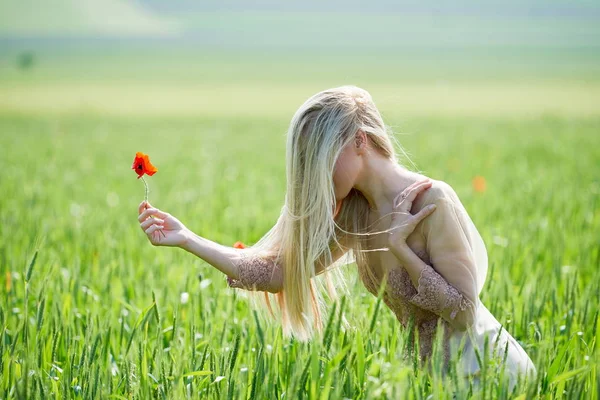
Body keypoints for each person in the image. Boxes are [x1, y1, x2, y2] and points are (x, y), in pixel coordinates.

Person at [136, 85, 537, 392]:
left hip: (487, 376)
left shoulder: (433, 200)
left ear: (359, 141)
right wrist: (188, 239)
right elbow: (280, 273)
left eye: (321, 160)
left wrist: (401, 249)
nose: (315, 177)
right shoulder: (357, 215)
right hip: (427, 381)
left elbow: (464, 312)